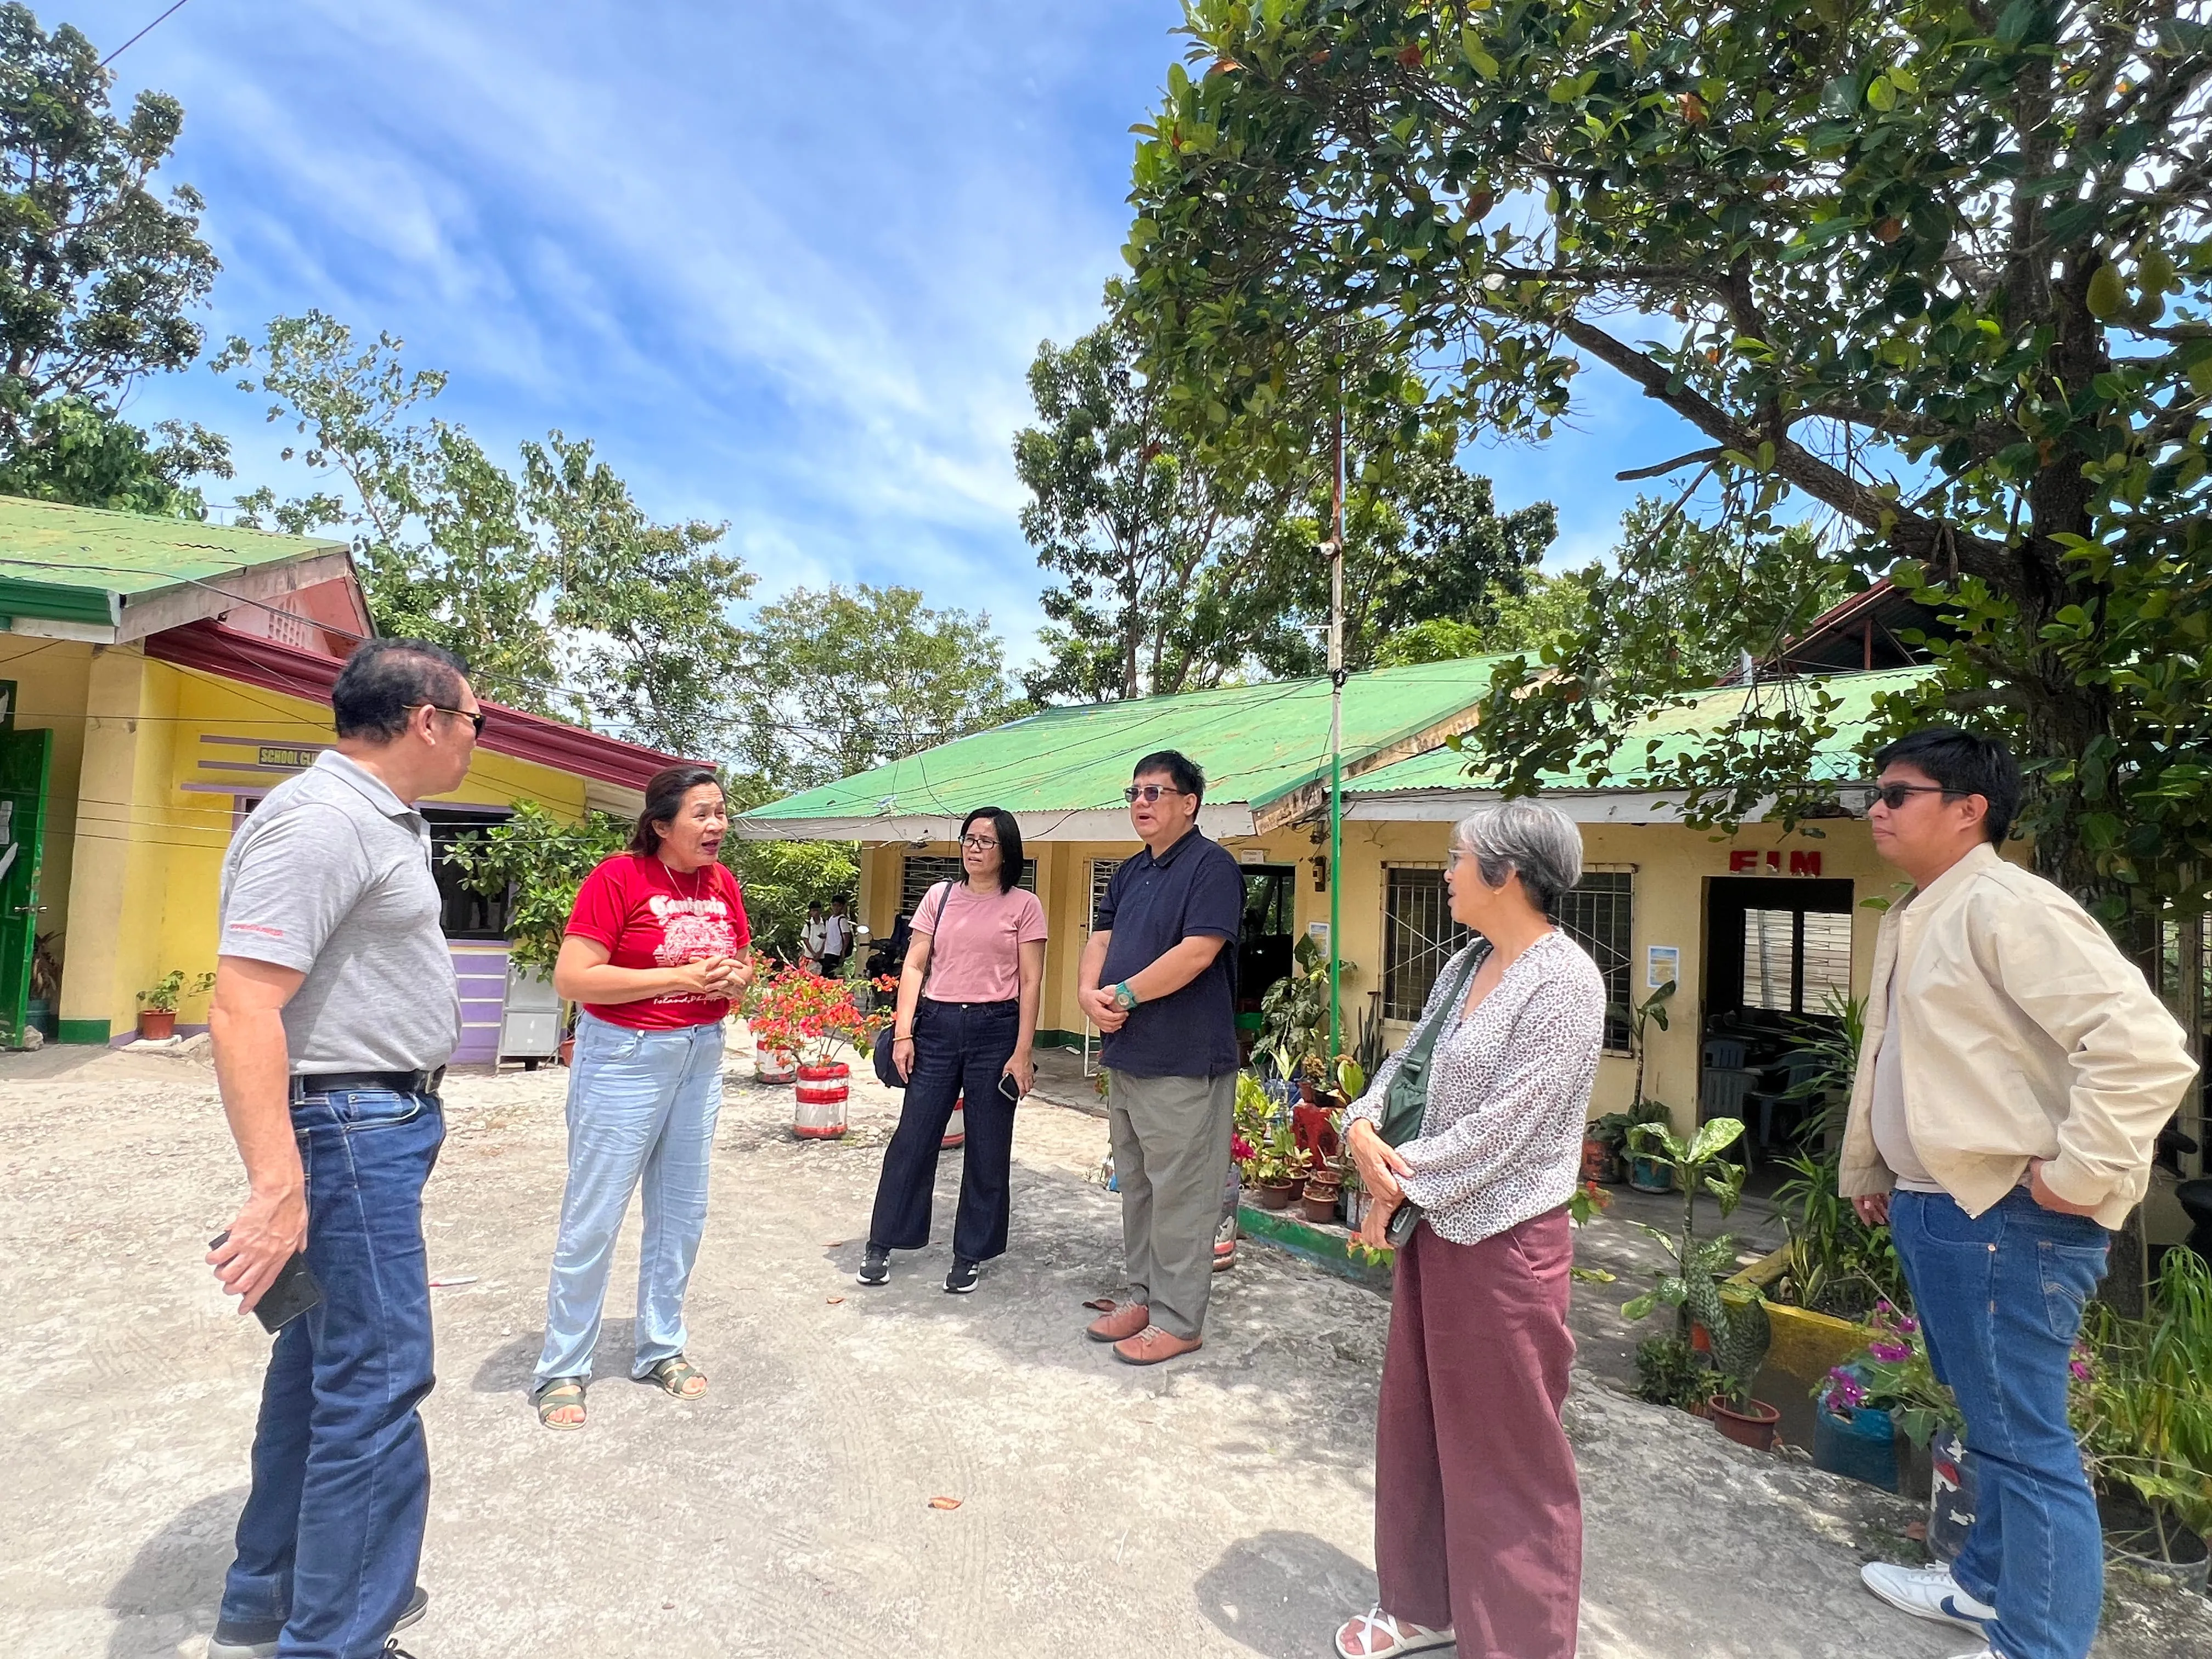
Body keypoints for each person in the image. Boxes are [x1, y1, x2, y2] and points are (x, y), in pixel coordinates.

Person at [1842, 729, 2196, 1659]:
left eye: (1897, 792)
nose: (1875, 807)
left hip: (2009, 1219)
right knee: (1990, 1422)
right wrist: (1878, 1171)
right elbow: (1908, 1061)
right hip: (1950, 1209)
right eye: (1872, 791)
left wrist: (2074, 1175)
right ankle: (1980, 1583)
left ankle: (2037, 1640)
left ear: (1968, 809)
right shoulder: (1925, 910)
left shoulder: (2006, 905)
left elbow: (2144, 1049)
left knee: (2025, 1443)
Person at [204, 637, 482, 1659]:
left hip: (371, 1124)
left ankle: (272, 1591)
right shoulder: (322, 823)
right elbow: (241, 1004)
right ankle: (337, 1637)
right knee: (378, 1378)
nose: (473, 741)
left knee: (319, 1364)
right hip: (346, 1131)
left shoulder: (372, 820)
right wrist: (277, 1183)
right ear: (425, 719)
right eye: (473, 722)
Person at [1332, 800, 1605, 1659]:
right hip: (1436, 1230)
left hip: (1504, 1247)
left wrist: (1391, 1187)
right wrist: (1363, 1130)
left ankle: (1518, 1643)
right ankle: (1422, 1603)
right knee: (1415, 1421)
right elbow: (1408, 1066)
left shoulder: (1566, 983)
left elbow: (1506, 1128)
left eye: (1459, 858)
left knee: (1508, 1454)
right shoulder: (1467, 964)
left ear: (1509, 874)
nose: (1446, 871)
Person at [531, 765, 754, 1430]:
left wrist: (734, 979)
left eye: (721, 813)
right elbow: (574, 977)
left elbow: (741, 961)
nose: (717, 826)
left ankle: (661, 1346)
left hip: (700, 1056)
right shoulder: (618, 878)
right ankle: (563, 1366)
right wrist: (679, 974)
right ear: (662, 824)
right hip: (625, 1060)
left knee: (682, 1214)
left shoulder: (723, 885)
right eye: (702, 814)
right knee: (595, 1215)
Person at [1077, 750, 1244, 1365]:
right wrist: (1085, 995)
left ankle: (1180, 1319)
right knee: (1140, 1188)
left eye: (1155, 792)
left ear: (1189, 802)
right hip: (1129, 1054)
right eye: (1134, 793)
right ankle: (1145, 1298)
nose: (1141, 803)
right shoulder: (1129, 872)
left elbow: (1199, 952)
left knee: (1183, 1195)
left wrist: (1120, 994)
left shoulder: (1212, 867)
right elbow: (1101, 937)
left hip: (1183, 1060)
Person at [856, 807, 1047, 1292]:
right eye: (969, 838)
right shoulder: (939, 897)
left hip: (996, 1030)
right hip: (937, 1027)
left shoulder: (1024, 906)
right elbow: (915, 967)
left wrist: (1022, 1050)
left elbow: (1031, 981)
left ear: (1007, 851)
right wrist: (903, 1034)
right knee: (914, 1136)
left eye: (986, 840)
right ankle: (884, 1240)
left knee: (988, 1145)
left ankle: (971, 1253)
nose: (974, 847)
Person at [819, 898, 855, 978]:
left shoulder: (842, 920)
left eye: (839, 906)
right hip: (828, 950)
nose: (836, 908)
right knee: (826, 973)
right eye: (834, 905)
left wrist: (843, 950)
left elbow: (847, 935)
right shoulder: (831, 919)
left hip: (836, 951)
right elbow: (831, 933)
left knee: (831, 973)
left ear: (842, 907)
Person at [800, 902, 827, 969]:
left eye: (817, 910)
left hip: (823, 956)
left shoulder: (826, 924)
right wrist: (813, 953)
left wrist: (820, 952)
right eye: (814, 911)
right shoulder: (808, 925)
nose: (816, 913)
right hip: (810, 956)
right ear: (811, 912)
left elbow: (827, 939)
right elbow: (806, 940)